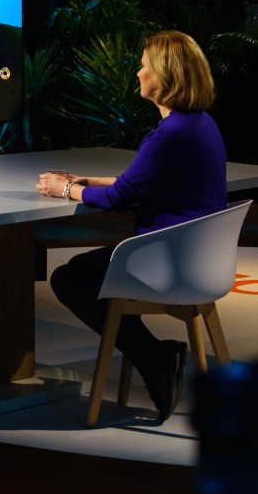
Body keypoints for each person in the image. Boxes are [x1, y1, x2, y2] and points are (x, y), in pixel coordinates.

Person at [35, 30, 227, 423]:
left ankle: (155, 358)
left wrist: (66, 188)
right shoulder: (200, 124)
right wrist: (86, 181)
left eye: (144, 65)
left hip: (166, 262)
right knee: (90, 276)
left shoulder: (170, 134)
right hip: (200, 260)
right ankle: (157, 357)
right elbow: (138, 182)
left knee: (70, 280)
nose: (138, 72)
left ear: (165, 77)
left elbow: (120, 199)